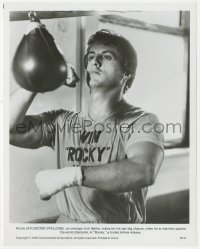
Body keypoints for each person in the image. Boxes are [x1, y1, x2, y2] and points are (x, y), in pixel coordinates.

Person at [10, 29, 164, 223]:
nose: (94, 62)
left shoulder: (142, 121)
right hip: (65, 232)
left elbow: (144, 170)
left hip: (116, 236)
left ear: (126, 73)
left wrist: (70, 176)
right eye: (91, 56)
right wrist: (38, 80)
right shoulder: (63, 122)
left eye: (106, 57)